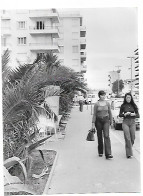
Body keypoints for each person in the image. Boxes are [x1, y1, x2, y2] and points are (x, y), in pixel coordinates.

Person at [92, 90, 113, 159]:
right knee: (99, 136)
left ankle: (108, 153)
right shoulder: (96, 104)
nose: (103, 96)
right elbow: (94, 114)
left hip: (106, 120)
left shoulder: (107, 103)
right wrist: (92, 124)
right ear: (99, 96)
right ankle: (100, 151)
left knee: (106, 135)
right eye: (101, 95)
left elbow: (110, 113)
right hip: (98, 121)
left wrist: (111, 122)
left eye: (104, 95)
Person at [119, 93, 139, 159]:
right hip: (125, 122)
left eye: (129, 97)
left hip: (132, 122)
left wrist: (134, 114)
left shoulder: (134, 105)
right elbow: (120, 114)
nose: (128, 99)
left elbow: (138, 115)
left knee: (132, 137)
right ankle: (129, 153)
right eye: (127, 97)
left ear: (131, 98)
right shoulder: (123, 106)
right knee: (127, 137)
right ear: (125, 98)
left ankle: (129, 147)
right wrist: (124, 114)